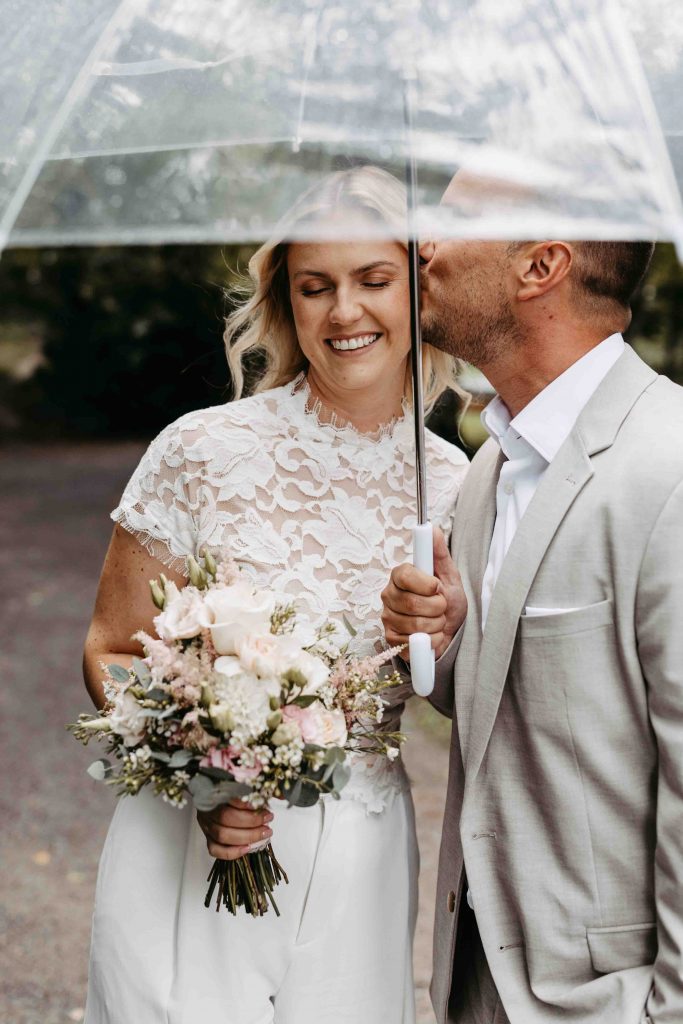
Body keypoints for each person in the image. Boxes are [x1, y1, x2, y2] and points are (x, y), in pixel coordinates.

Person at [81, 165, 469, 1024]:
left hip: (360, 865)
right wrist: (206, 781)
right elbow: (110, 648)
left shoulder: (459, 488)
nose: (344, 312)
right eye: (314, 286)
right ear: (285, 303)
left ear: (420, 290)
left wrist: (443, 633)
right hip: (192, 844)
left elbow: (461, 703)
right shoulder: (201, 450)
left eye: (374, 280)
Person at [382, 208, 683, 1023]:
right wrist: (446, 647)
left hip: (608, 1000)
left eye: (452, 219)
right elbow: (528, 713)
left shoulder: (670, 469)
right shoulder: (488, 468)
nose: (422, 242)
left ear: (539, 266)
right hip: (476, 976)